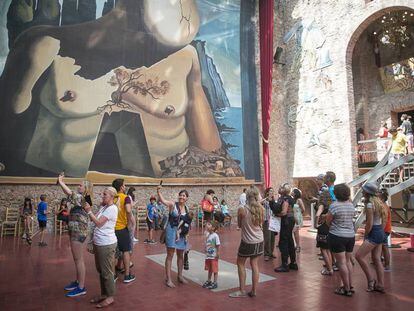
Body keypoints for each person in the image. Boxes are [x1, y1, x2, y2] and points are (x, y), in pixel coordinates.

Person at [57, 174, 92, 297]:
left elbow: (69, 192)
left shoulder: (82, 198)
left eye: (81, 185)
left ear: (86, 188)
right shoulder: (81, 198)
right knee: (77, 259)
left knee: (79, 260)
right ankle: (78, 282)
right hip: (75, 230)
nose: (78, 186)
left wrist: (61, 181)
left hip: (79, 232)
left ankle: (81, 287)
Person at [84, 187, 118, 309]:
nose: (102, 196)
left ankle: (110, 296)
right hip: (99, 242)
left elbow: (98, 223)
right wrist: (91, 241)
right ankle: (104, 294)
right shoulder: (104, 207)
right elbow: (94, 222)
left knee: (107, 272)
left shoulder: (113, 209)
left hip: (107, 244)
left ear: (112, 197)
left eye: (105, 194)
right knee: (101, 270)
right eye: (103, 194)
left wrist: (88, 211)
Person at [229, 186, 264, 298]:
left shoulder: (242, 209)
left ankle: (242, 290)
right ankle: (254, 291)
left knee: (240, 263)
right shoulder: (260, 208)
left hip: (248, 241)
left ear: (247, 197)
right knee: (254, 264)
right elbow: (260, 223)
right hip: (259, 239)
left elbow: (239, 225)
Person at [355, 183, 388, 293]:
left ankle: (371, 280)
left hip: (373, 231)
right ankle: (381, 284)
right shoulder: (380, 203)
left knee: (359, 256)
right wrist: (381, 232)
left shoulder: (369, 204)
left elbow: (369, 223)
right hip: (380, 231)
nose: (362, 192)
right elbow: (383, 220)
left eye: (363, 190)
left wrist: (366, 235)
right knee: (376, 259)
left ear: (367, 192)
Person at [157, 186, 190, 288]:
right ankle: (169, 279)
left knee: (181, 255)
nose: (181, 197)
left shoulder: (187, 208)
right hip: (172, 231)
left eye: (184, 196)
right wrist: (158, 191)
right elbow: (163, 201)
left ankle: (180, 276)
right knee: (170, 255)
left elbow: (187, 223)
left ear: (187, 198)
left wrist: (187, 235)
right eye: (180, 195)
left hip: (181, 234)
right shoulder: (173, 205)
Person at [326, 184, 355, 297]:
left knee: (341, 262)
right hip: (350, 236)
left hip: (337, 235)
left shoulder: (334, 206)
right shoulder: (350, 205)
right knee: (347, 261)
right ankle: (350, 285)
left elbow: (328, 221)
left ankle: (346, 288)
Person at [112, 178, 136, 283]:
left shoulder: (112, 197)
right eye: (124, 185)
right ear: (121, 187)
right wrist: (132, 220)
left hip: (112, 229)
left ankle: (113, 275)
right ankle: (127, 275)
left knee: (113, 253)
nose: (125, 187)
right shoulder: (125, 197)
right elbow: (128, 210)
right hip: (122, 228)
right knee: (126, 251)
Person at [274, 183, 297, 272]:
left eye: (281, 187)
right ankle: (293, 263)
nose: (279, 188)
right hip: (290, 220)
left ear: (284, 190)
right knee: (290, 241)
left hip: (286, 221)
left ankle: (285, 265)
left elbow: (284, 212)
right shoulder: (290, 198)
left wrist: (276, 215)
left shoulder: (286, 198)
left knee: (284, 242)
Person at [203, 221, 221, 290]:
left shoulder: (215, 236)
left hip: (214, 256)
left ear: (213, 228)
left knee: (215, 269)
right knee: (209, 269)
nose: (207, 225)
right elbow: (206, 243)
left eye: (209, 224)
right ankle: (209, 280)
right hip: (208, 255)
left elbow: (218, 245)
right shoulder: (208, 235)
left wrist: (218, 253)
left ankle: (215, 282)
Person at [378, 188, 391, 272]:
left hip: (384, 229)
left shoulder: (383, 206)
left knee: (384, 247)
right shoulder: (382, 205)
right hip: (384, 229)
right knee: (383, 247)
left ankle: (387, 265)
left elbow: (385, 219)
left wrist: (381, 231)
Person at [262, 187, 276, 261]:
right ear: (267, 192)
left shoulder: (274, 201)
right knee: (267, 238)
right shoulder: (265, 201)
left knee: (272, 238)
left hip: (273, 221)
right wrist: (267, 197)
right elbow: (259, 203)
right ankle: (266, 254)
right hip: (266, 220)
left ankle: (271, 252)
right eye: (270, 191)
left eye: (272, 191)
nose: (271, 192)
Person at [292, 188, 305, 252]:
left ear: (295, 193)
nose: (291, 192)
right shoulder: (292, 199)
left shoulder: (299, 200)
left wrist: (299, 214)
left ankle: (298, 246)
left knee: (296, 232)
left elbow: (303, 209)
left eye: (293, 192)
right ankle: (295, 245)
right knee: (293, 232)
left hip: (297, 217)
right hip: (293, 216)